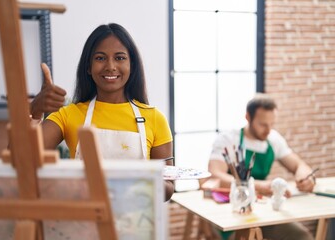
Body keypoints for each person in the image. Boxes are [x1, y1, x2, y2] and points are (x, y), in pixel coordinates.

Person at [30, 23, 174, 201]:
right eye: (100, 58)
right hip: (86, 223)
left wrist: (138, 180)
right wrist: (35, 113)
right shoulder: (69, 115)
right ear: (88, 67)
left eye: (120, 58)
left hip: (137, 223)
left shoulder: (155, 118)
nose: (110, 66)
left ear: (132, 65)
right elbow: (23, 161)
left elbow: (169, 189)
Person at [208, 94, 315, 240]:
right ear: (248, 117)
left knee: (301, 236)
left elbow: (299, 165)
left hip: (261, 209)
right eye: (263, 124)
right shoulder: (228, 139)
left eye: (272, 124)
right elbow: (214, 176)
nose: (268, 130)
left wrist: (305, 176)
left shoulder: (273, 139)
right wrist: (258, 186)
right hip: (231, 210)